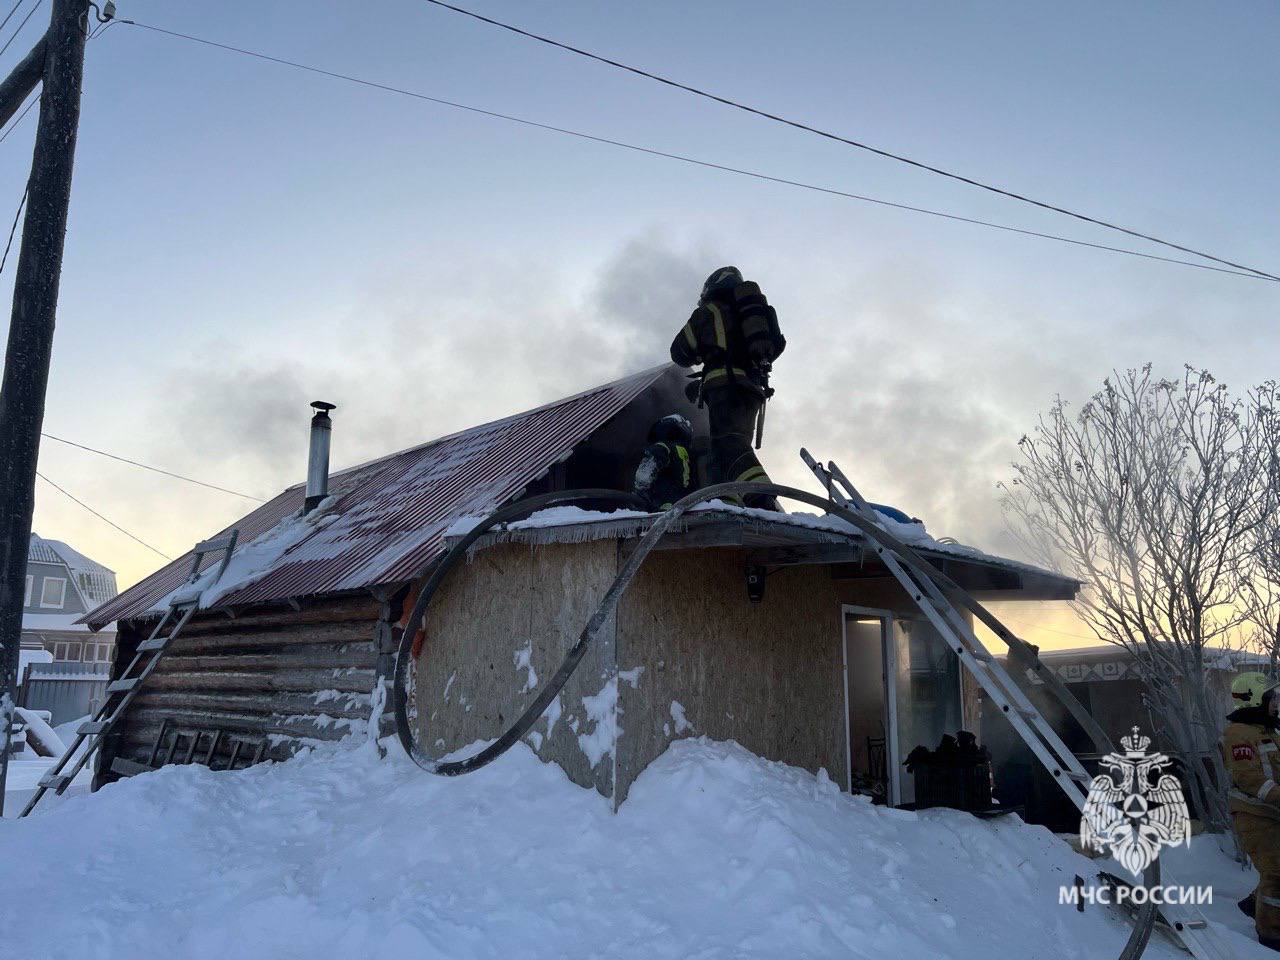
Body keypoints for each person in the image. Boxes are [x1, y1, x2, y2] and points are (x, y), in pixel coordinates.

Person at [669, 266, 785, 509]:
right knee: (721, 447)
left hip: (724, 388)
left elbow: (680, 351)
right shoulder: (748, 315)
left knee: (730, 443)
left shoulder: (708, 311)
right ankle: (728, 501)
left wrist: (703, 353)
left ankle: (761, 497)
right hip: (752, 390)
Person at [1223, 671, 1280, 951]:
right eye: (1271, 698)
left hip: (1271, 812)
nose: (1276, 703)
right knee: (1276, 873)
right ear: (1255, 699)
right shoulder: (1239, 734)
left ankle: (1251, 905)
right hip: (1254, 814)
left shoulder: (1267, 730)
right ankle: (1270, 936)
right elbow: (1249, 778)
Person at [632, 414, 695, 510]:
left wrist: (639, 496)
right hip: (680, 507)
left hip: (663, 508)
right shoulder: (685, 453)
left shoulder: (663, 447)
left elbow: (643, 478)